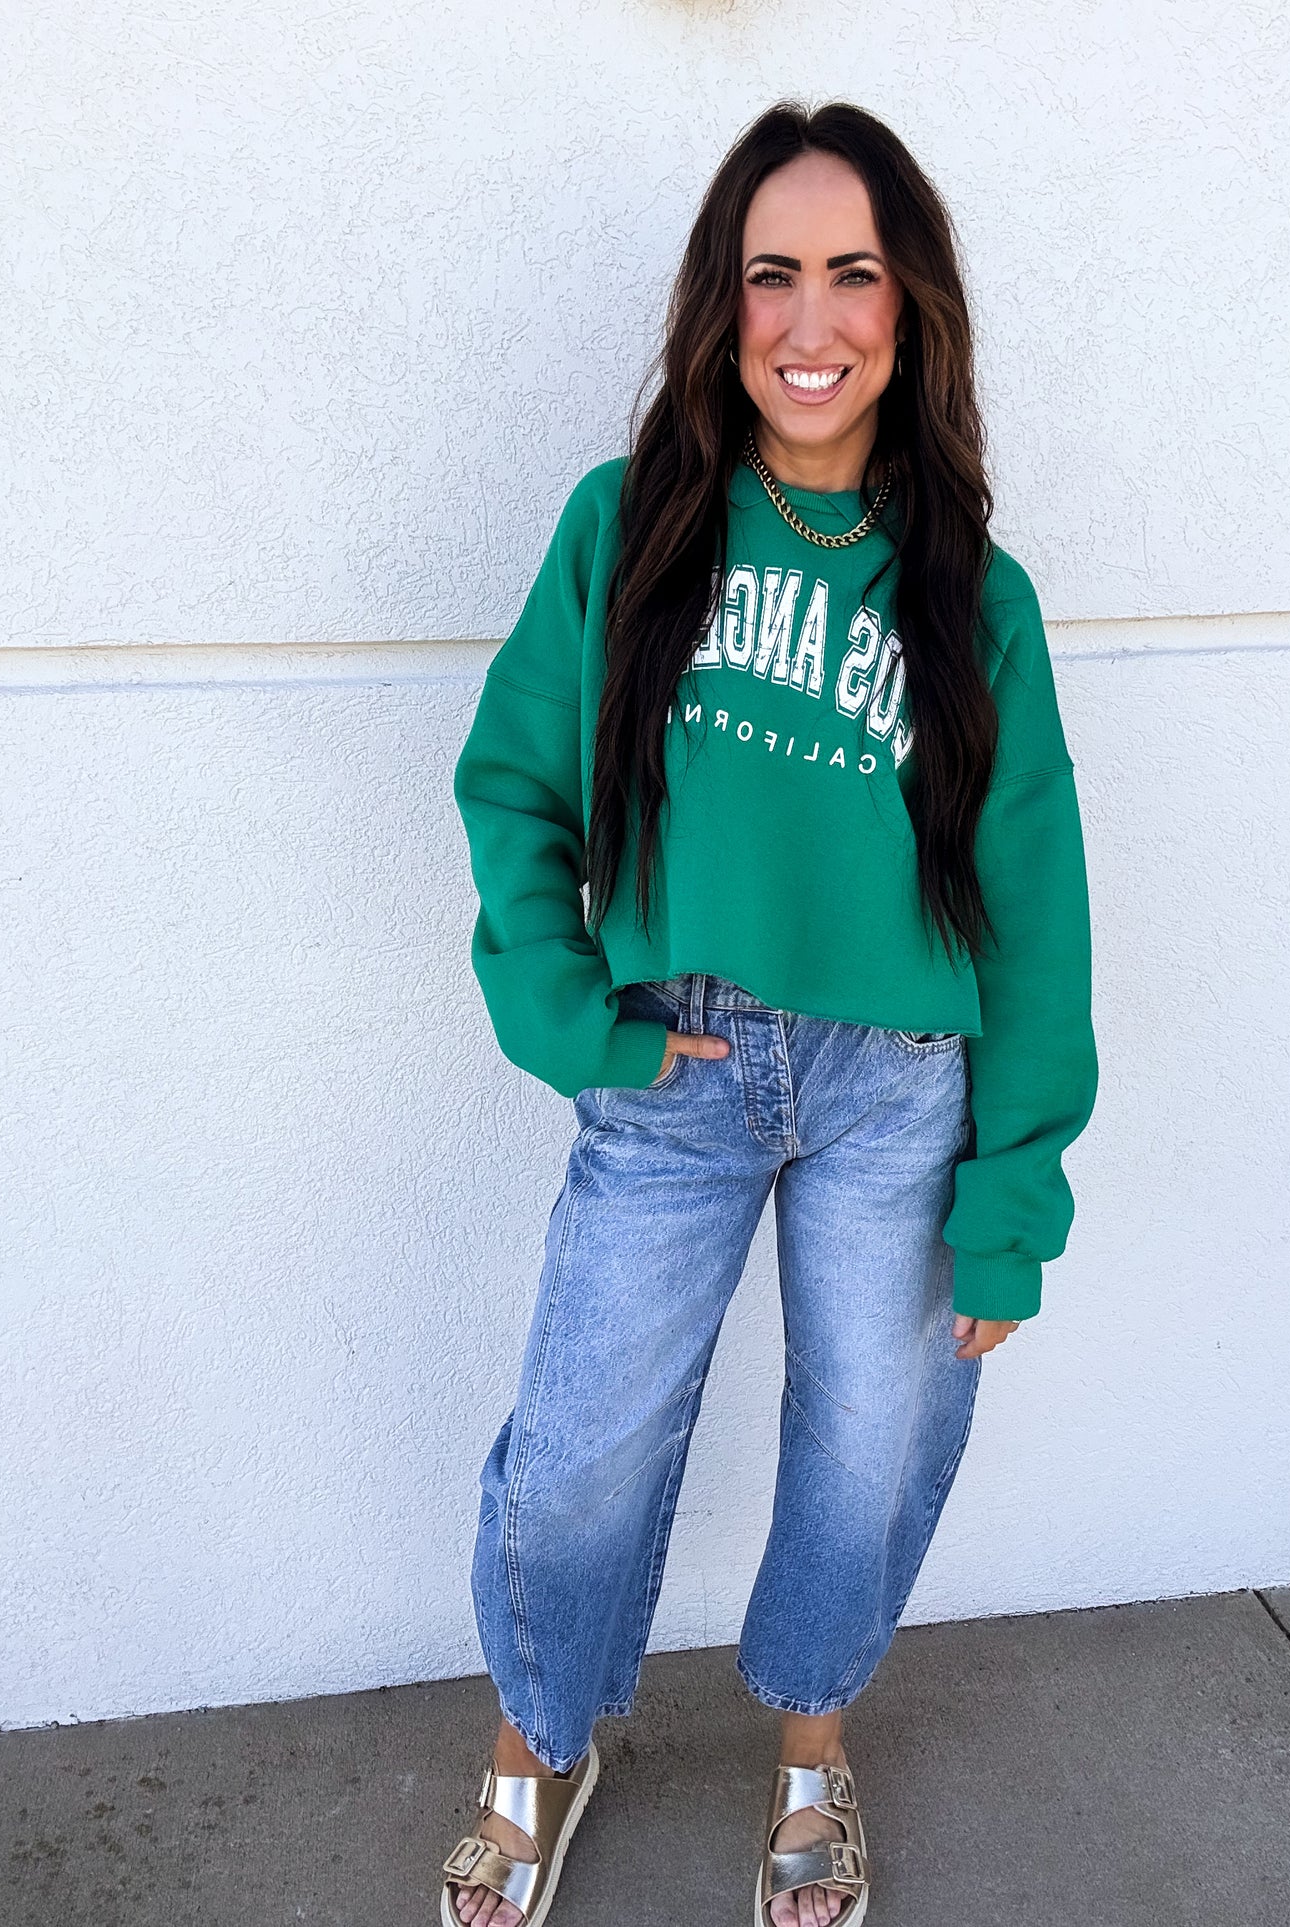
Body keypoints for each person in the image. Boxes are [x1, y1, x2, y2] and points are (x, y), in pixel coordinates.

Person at [442, 97, 1099, 1927]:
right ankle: (540, 1738)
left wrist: (1013, 1195)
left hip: (902, 1086)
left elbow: (1035, 910)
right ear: (719, 306)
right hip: (677, 1064)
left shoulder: (975, 598)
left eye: (853, 274)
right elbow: (514, 785)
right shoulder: (628, 528)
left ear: (911, 309)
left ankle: (812, 1749)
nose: (811, 322)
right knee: (578, 1445)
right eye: (771, 274)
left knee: (868, 1448)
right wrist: (571, 1016)